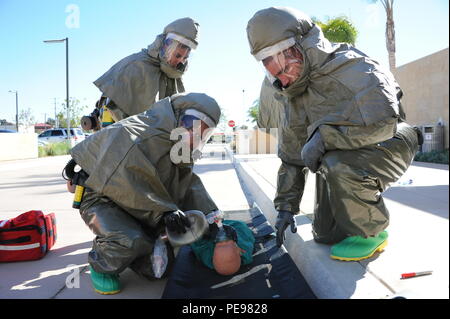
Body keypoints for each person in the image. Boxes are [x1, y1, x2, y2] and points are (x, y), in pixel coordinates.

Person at [246, 7, 423, 261]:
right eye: (269, 69)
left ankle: (372, 234)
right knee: (325, 234)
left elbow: (383, 123)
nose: (279, 78)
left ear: (297, 49)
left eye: (280, 65)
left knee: (335, 163)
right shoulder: (295, 93)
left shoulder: (352, 66)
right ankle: (352, 215)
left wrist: (326, 137)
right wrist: (285, 208)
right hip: (346, 151)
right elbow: (294, 156)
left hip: (392, 140)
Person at [67, 92, 221, 294]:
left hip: (144, 202)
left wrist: (211, 216)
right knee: (129, 240)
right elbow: (126, 183)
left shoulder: (178, 143)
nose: (195, 138)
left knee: (157, 269)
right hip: (101, 195)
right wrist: (164, 212)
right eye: (194, 127)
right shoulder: (135, 135)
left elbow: (187, 183)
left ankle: (126, 242)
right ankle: (101, 263)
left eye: (203, 133)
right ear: (180, 117)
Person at [92, 17, 200, 123]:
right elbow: (116, 112)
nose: (180, 61)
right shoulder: (136, 65)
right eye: (177, 55)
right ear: (167, 46)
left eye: (185, 58)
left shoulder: (174, 77)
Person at [190, 216, 255, 276]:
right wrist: (234, 234)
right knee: (240, 225)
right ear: (240, 250)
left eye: (219, 245)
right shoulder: (245, 248)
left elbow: (196, 243)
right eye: (227, 241)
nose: (222, 239)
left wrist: (207, 234)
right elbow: (246, 233)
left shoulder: (206, 255)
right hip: (232, 226)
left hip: (207, 228)